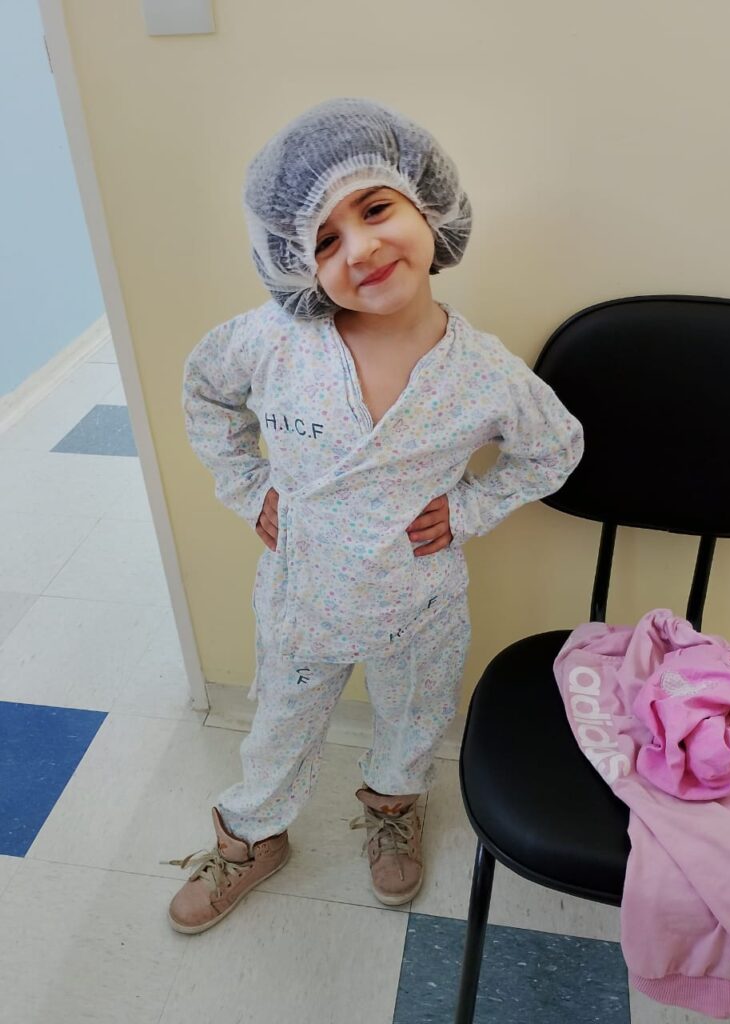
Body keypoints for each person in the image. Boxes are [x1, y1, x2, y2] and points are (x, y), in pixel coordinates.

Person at [170, 98, 583, 934]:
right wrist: (250, 488)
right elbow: (206, 394)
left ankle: (394, 806)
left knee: (412, 721)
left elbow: (555, 449)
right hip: (302, 596)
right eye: (324, 240)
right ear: (296, 262)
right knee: (277, 727)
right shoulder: (275, 342)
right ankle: (253, 834)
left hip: (419, 603)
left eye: (375, 208)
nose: (359, 247)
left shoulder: (485, 374)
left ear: (427, 207)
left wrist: (470, 507)